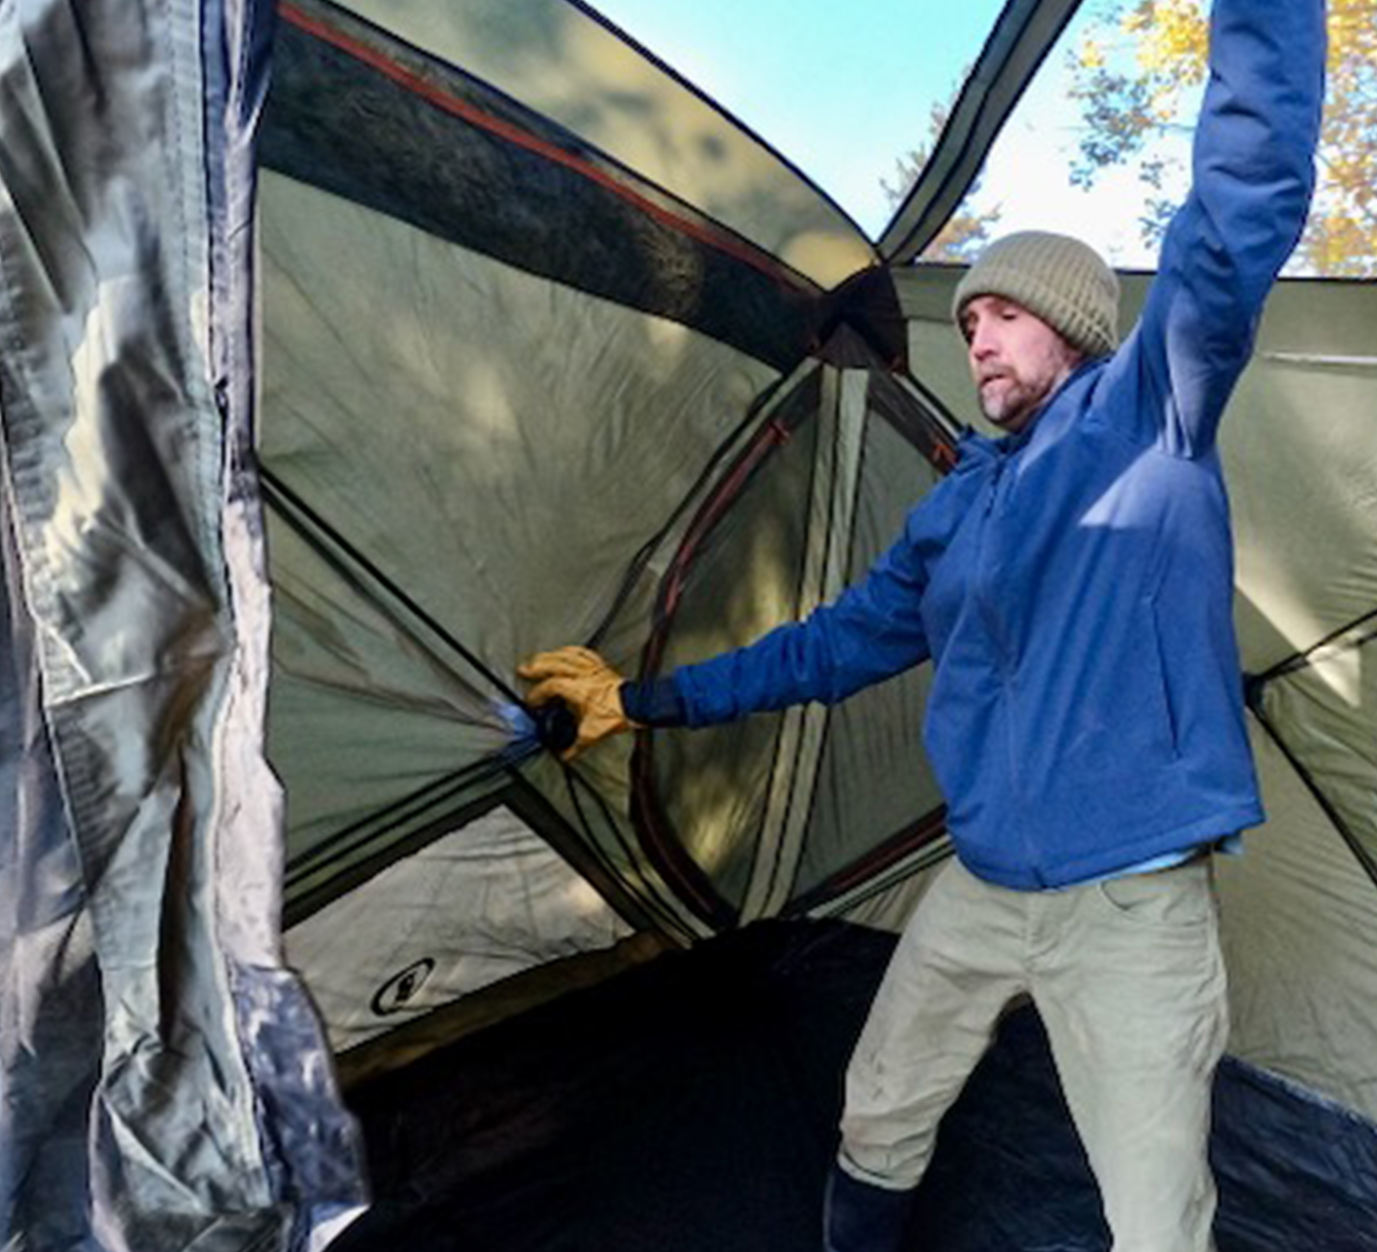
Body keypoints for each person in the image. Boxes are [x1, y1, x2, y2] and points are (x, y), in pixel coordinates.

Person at [520, 2, 1324, 1247]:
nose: (975, 335)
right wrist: (642, 698)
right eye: (968, 321)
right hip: (983, 878)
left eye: (1002, 314)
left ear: (1071, 324)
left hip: (1129, 905)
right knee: (880, 1109)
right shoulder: (959, 507)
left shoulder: (1150, 417)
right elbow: (827, 646)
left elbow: (1240, 200)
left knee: (1156, 1216)